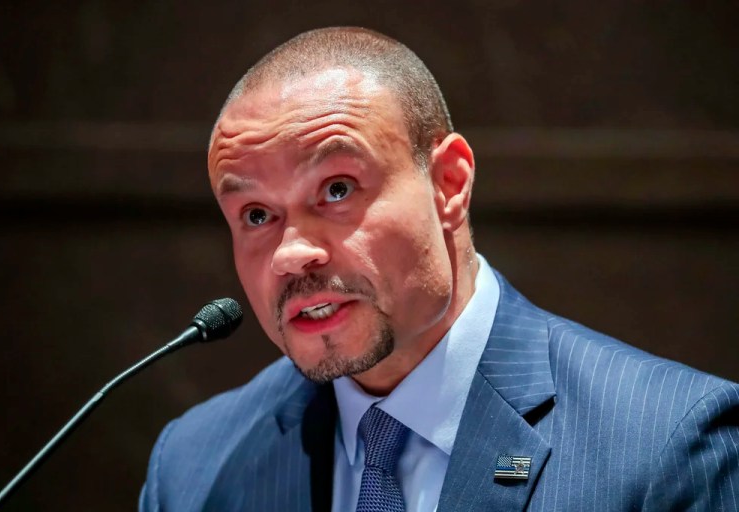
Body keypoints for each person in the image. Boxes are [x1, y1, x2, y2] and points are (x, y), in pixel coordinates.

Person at [140, 27, 739, 511]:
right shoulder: (193, 469)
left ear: (448, 183)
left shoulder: (667, 446)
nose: (292, 253)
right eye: (255, 214)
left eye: (338, 188)